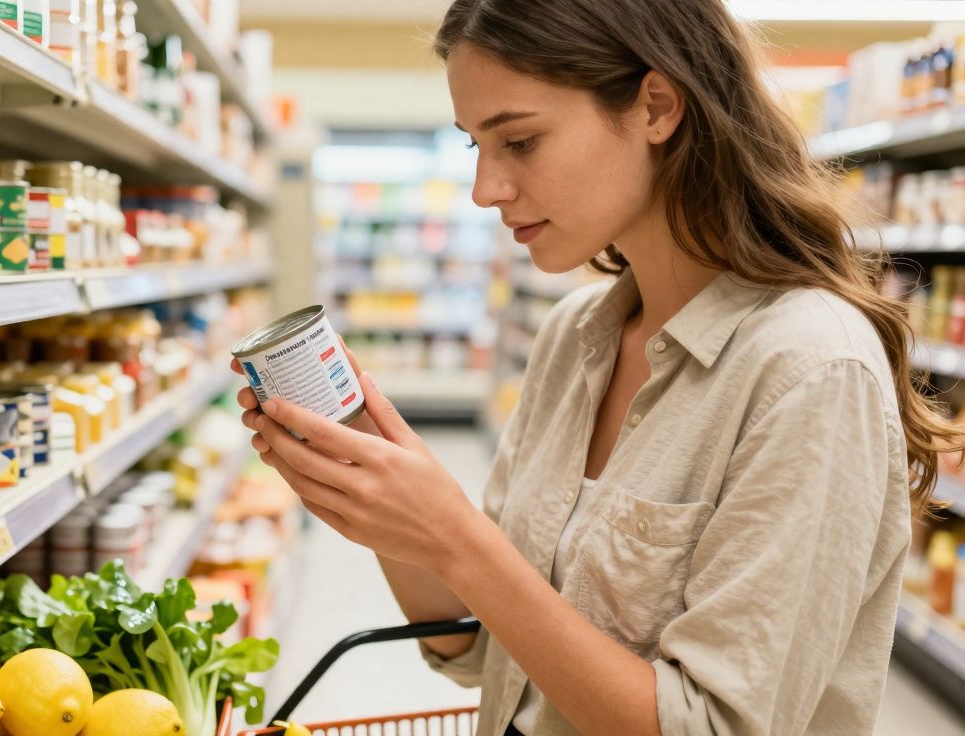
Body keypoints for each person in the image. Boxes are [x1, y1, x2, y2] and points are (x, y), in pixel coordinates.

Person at [232, 0, 963, 734]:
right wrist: (378, 493)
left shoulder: (810, 371)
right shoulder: (575, 336)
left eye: (519, 140)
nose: (485, 188)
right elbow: (484, 648)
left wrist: (457, 538)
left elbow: (711, 726)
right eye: (475, 145)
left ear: (656, 107)